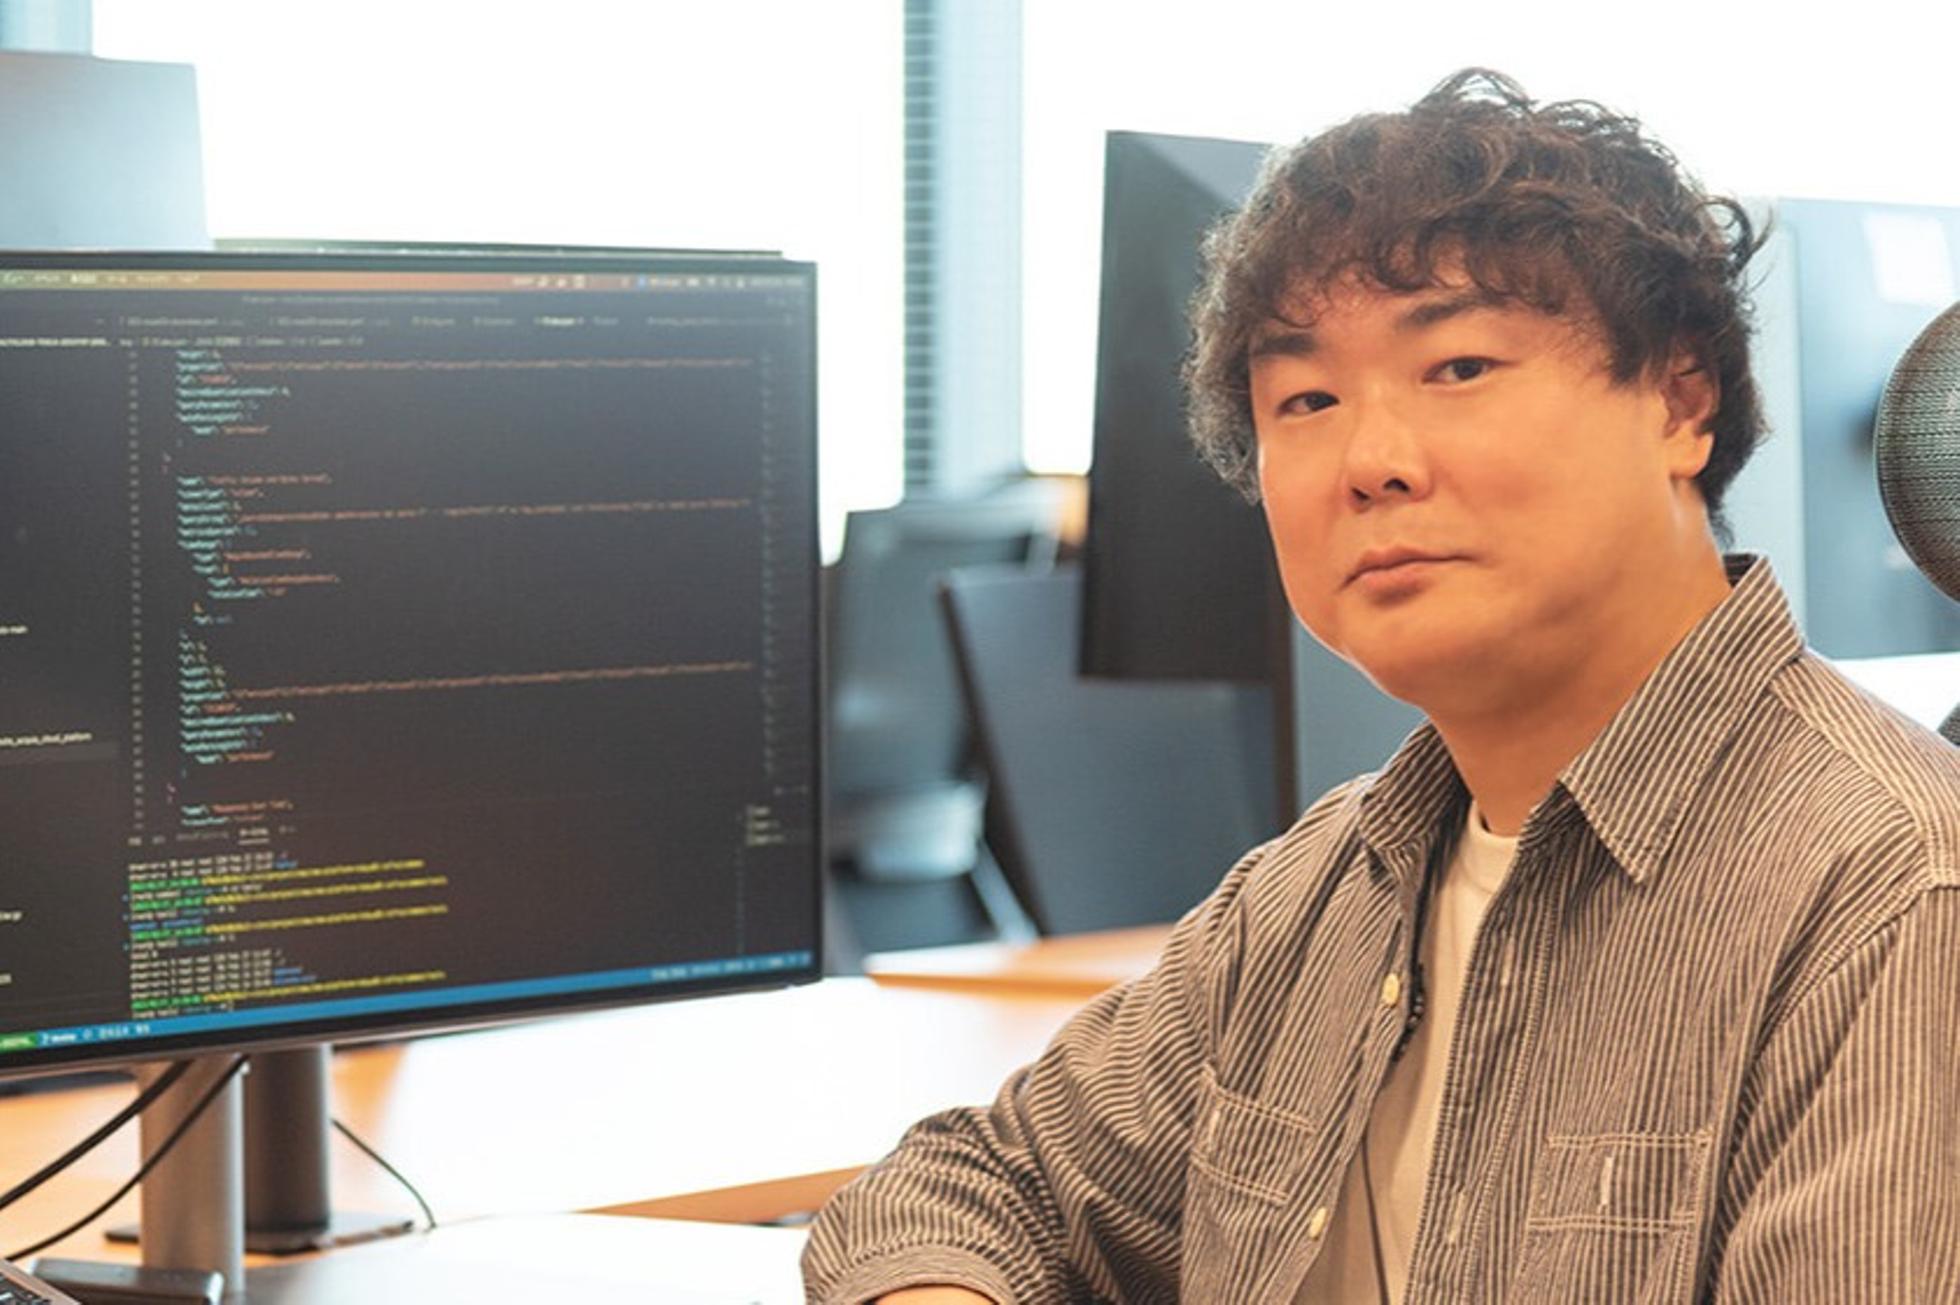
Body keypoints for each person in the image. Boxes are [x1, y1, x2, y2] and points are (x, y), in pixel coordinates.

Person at [802, 69, 1960, 1304]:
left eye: (1456, 368)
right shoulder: (1316, 893)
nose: (1370, 461)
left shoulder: (1896, 898)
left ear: (1679, 402)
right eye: (1304, 400)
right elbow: (967, 1189)